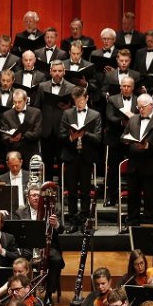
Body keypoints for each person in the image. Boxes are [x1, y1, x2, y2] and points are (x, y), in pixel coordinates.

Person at [59, 86, 102, 231]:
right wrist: (72, 137)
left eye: (82, 100)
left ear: (87, 99)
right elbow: (61, 136)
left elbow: (98, 138)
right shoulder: (67, 113)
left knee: (84, 191)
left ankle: (84, 219)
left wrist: (84, 134)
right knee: (71, 191)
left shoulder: (95, 115)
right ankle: (72, 220)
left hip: (87, 157)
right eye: (77, 100)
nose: (79, 103)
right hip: (71, 156)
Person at [124, 93, 153, 225]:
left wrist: (149, 145)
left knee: (150, 197)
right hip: (134, 165)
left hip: (151, 165)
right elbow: (124, 134)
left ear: (151, 105)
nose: (140, 110)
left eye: (143, 107)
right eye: (138, 107)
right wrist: (126, 141)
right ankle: (132, 222)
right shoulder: (133, 120)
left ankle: (148, 224)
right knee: (132, 196)